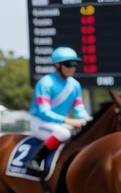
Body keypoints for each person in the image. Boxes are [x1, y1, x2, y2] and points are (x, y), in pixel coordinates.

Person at [26, 46, 90, 175]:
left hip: (58, 123)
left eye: (75, 64)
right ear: (57, 65)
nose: (72, 67)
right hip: (40, 122)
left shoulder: (75, 85)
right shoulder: (45, 83)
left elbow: (79, 109)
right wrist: (68, 121)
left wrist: (89, 121)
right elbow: (43, 111)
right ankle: (35, 159)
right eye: (68, 64)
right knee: (64, 134)